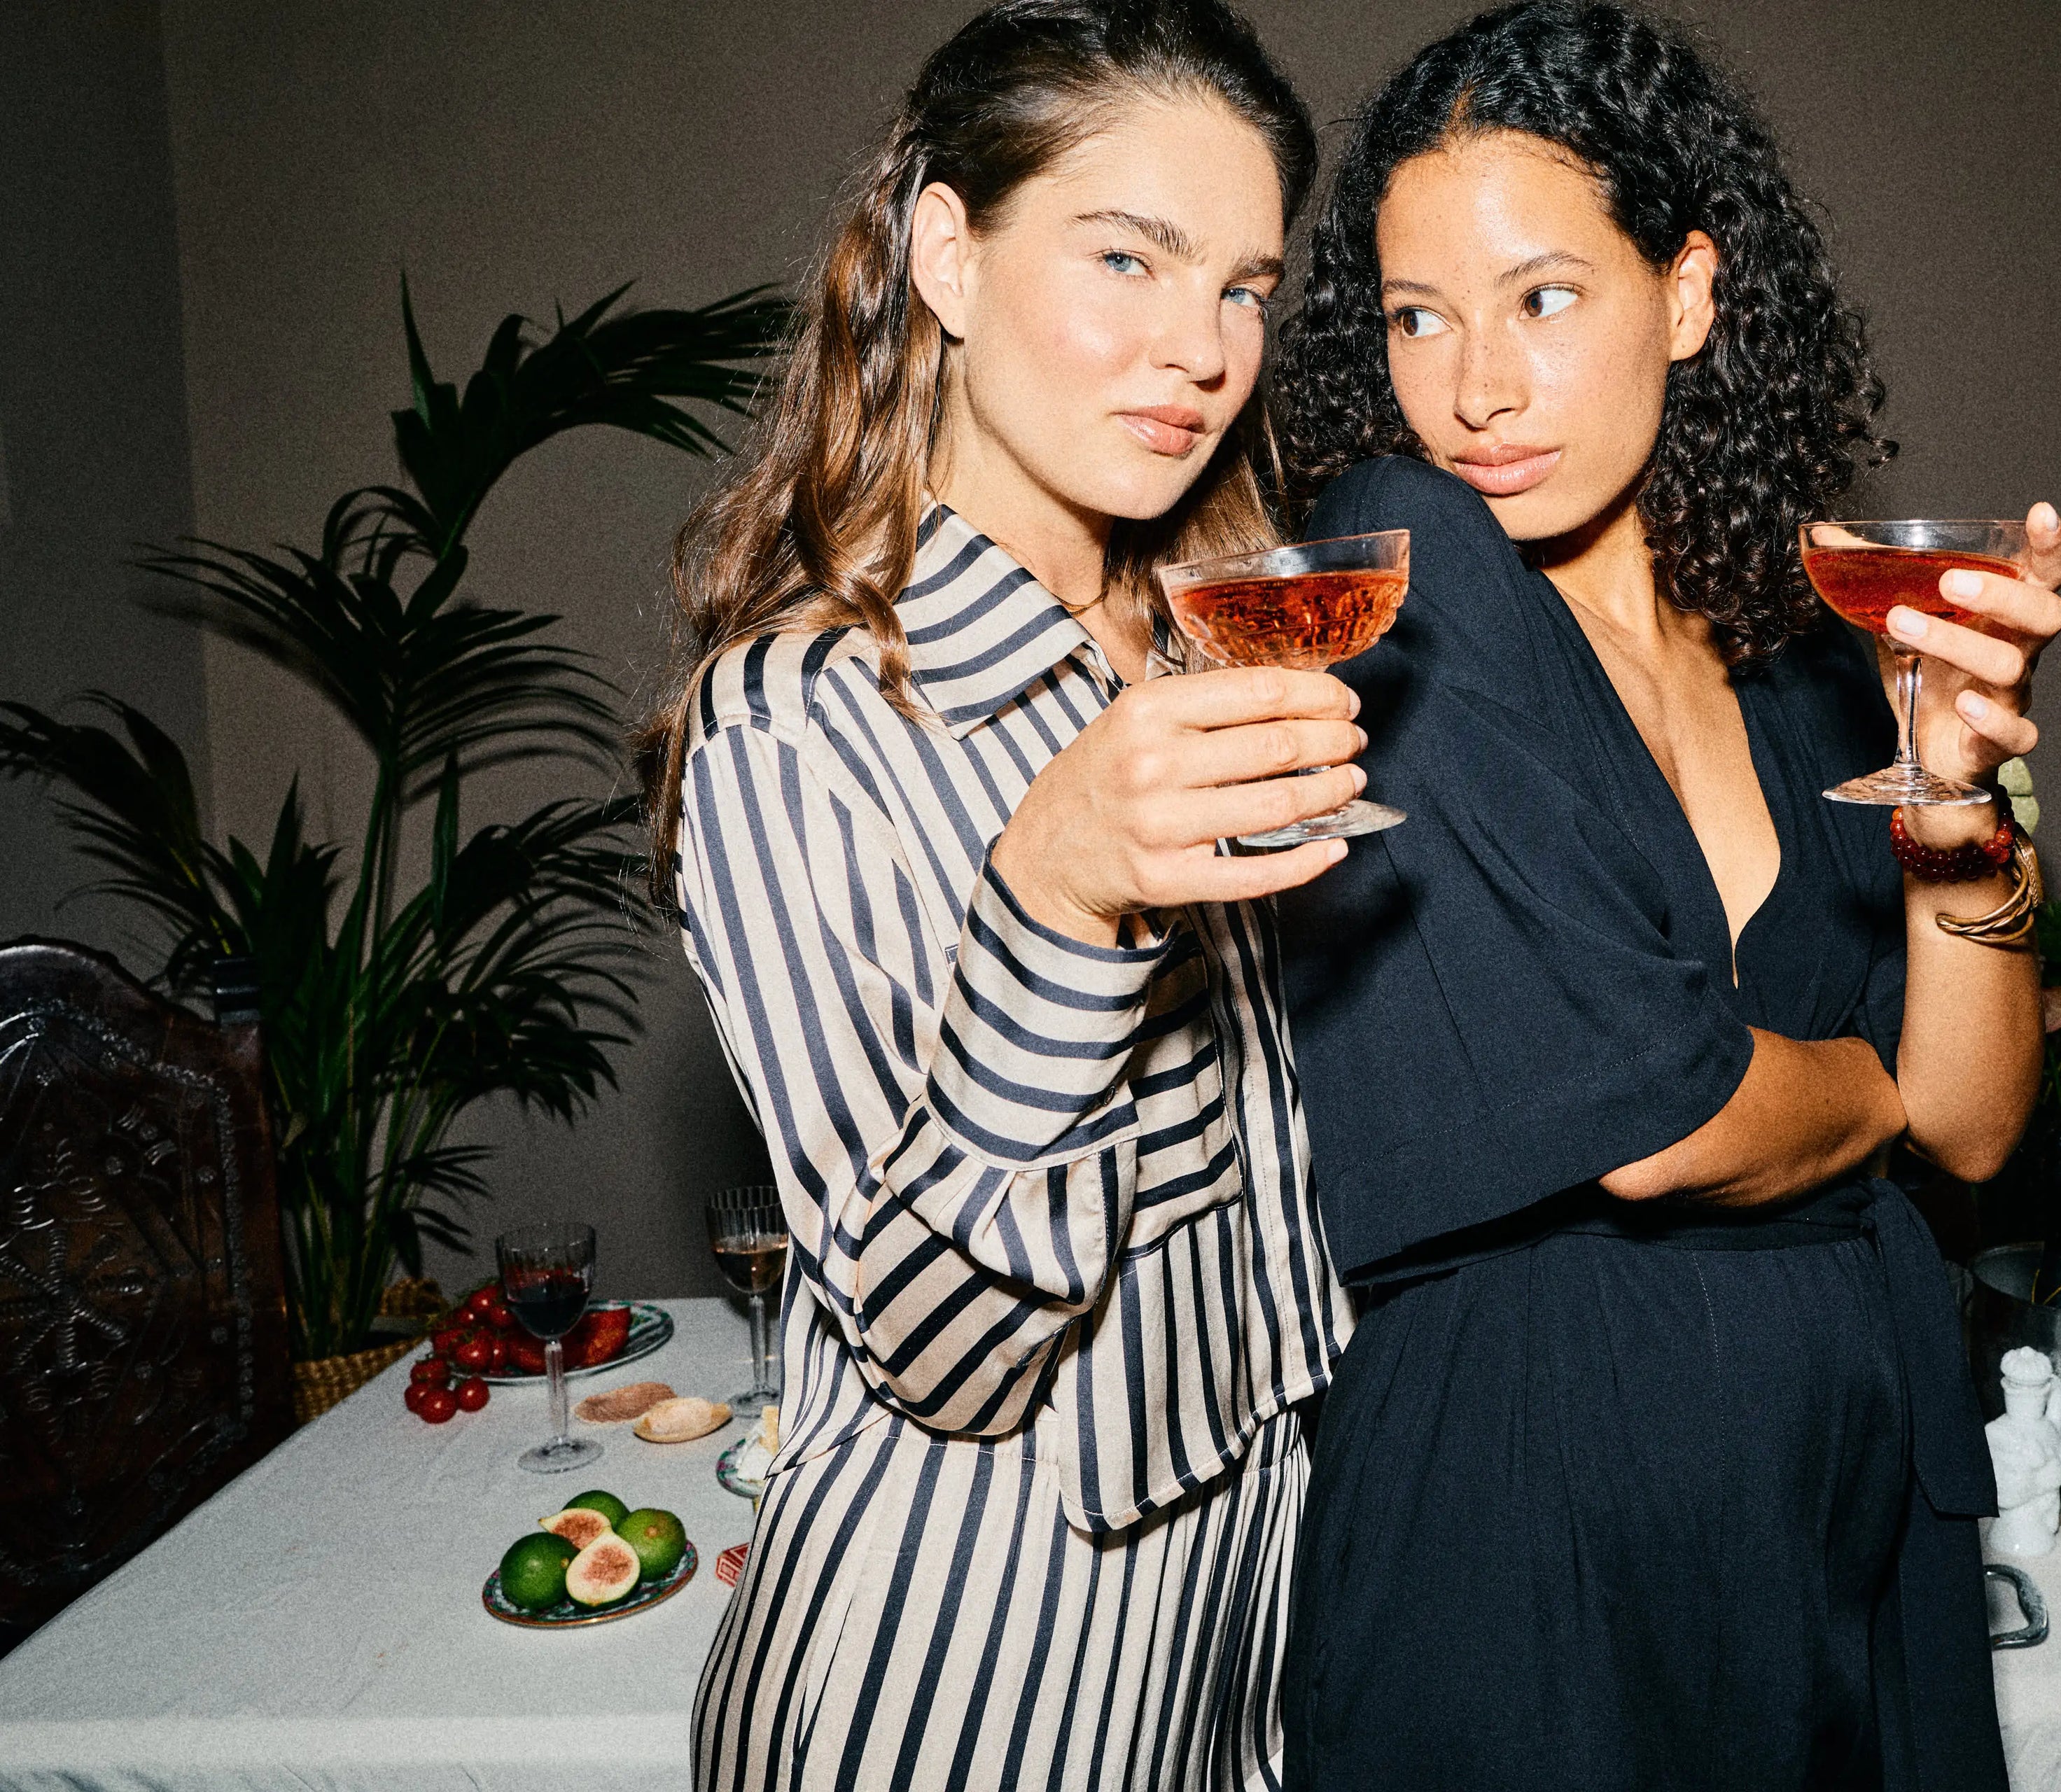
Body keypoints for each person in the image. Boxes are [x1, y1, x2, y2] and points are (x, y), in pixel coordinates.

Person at [1270, 4, 2061, 1788]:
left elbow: (1980, 1114)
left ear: (1689, 294)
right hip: (1536, 1509)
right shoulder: (1407, 583)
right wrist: (1855, 1094)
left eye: (1543, 298)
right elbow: (1661, 1124)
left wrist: (1961, 789)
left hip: (1839, 1490)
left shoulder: (1802, 661)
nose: (1472, 385)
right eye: (1418, 317)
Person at [636, 4, 1358, 1785]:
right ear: (947, 253)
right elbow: (948, 1351)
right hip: (966, 1681)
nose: (1199, 348)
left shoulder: (1207, 637)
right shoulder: (803, 715)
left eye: (1245, 289)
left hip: (1234, 1656)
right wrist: (1053, 901)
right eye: (1129, 257)